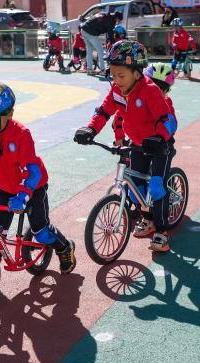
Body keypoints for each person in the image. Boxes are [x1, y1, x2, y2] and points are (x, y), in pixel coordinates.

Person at [0, 81, 77, 274]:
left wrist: (22, 196)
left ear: (10, 114)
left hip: (33, 188)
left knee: (41, 232)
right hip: (4, 189)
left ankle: (64, 247)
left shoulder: (21, 135)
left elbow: (32, 170)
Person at [74, 40, 178, 252]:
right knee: (134, 190)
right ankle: (147, 219)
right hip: (137, 144)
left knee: (157, 187)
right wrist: (91, 130)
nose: (116, 80)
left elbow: (168, 120)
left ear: (137, 73)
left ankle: (161, 231)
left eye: (121, 75)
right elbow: (103, 112)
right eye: (113, 75)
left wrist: (158, 137)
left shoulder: (150, 91)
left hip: (159, 146)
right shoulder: (116, 91)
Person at [80, 10, 123, 75]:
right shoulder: (111, 20)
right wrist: (115, 44)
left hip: (83, 30)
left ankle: (89, 69)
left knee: (89, 50)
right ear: (117, 18)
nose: (118, 22)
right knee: (100, 50)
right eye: (119, 21)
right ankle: (102, 70)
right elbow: (110, 34)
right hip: (90, 32)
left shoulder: (105, 14)